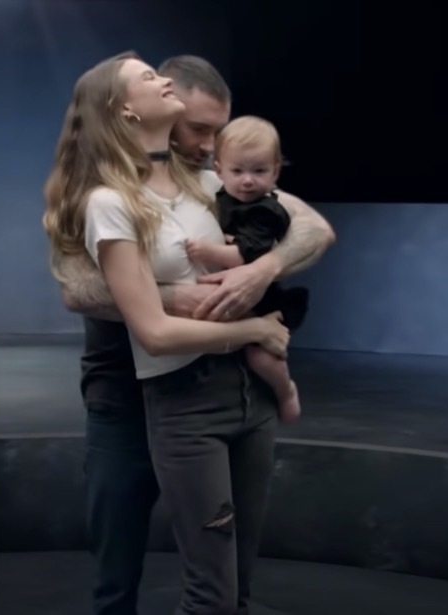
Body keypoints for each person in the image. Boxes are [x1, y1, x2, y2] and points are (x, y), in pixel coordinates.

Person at [51, 54, 336, 615]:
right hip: (128, 386)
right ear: (137, 110)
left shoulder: (210, 179)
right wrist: (176, 300)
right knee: (121, 551)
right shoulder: (105, 192)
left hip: (216, 380)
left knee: (228, 571)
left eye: (218, 131)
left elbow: (312, 227)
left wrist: (262, 268)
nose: (211, 143)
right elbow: (77, 288)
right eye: (201, 129)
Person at [185, 115, 309, 424]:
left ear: (276, 171)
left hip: (261, 299)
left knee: (261, 356)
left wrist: (210, 249)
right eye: (237, 171)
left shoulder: (266, 210)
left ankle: (285, 390)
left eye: (259, 171)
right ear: (219, 171)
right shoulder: (220, 198)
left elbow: (247, 253)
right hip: (229, 299)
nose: (248, 180)